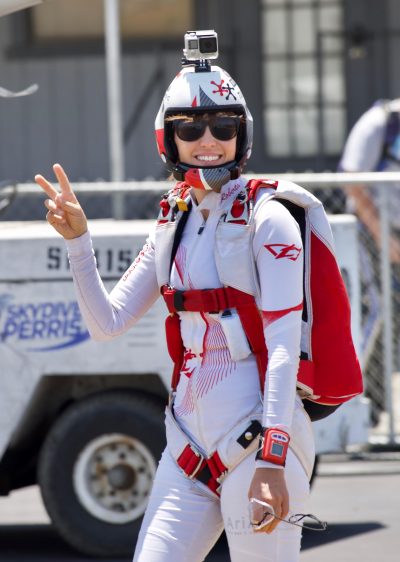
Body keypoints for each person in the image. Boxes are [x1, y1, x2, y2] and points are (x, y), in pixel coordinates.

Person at [35, 35, 316, 562]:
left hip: (260, 450)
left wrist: (273, 462)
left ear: (242, 135)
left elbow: (282, 346)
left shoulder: (269, 218)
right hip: (186, 451)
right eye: (190, 127)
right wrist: (79, 242)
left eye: (223, 126)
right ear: (169, 137)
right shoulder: (173, 221)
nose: (208, 140)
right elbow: (108, 324)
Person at [339, 99, 400, 413]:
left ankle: (377, 404)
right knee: (377, 308)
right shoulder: (381, 122)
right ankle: (349, 401)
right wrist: (383, 235)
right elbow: (352, 182)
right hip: (371, 229)